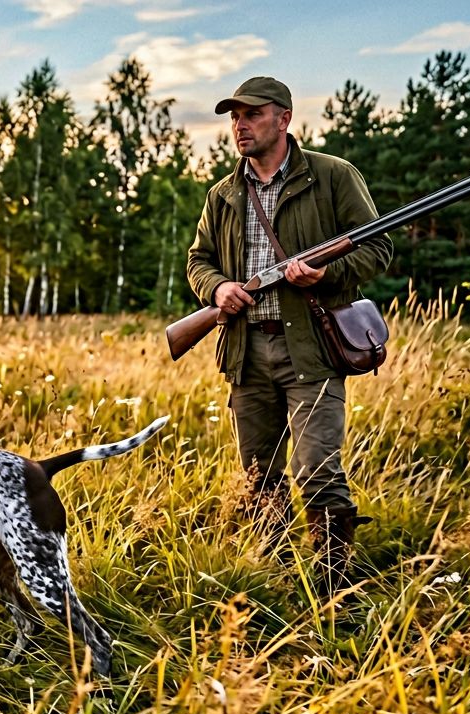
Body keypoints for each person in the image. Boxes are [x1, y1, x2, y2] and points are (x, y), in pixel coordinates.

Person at [186, 76, 393, 593]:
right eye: (234, 116)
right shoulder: (223, 194)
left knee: (317, 472)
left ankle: (329, 592)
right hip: (245, 351)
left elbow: (377, 249)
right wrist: (218, 290)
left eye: (252, 114)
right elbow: (199, 261)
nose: (239, 125)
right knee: (259, 476)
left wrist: (327, 275)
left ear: (284, 118)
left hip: (310, 348)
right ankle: (272, 581)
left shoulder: (332, 176)